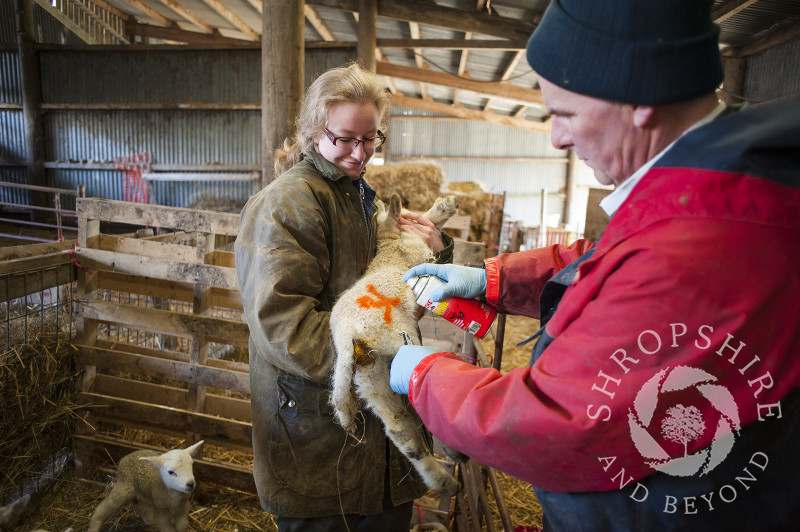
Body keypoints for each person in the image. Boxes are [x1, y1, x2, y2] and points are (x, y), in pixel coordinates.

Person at [389, 0, 800, 529]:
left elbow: (559, 422)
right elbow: (611, 261)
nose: (557, 136)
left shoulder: (703, 248)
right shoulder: (717, 183)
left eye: (564, 114)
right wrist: (494, 278)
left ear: (639, 103)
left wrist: (426, 375)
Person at [235, 62, 453, 531]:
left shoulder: (360, 196)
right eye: (345, 139)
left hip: (376, 428)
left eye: (371, 138)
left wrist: (433, 249)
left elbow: (390, 276)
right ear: (316, 131)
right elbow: (283, 324)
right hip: (317, 428)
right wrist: (376, 362)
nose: (360, 153)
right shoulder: (288, 204)